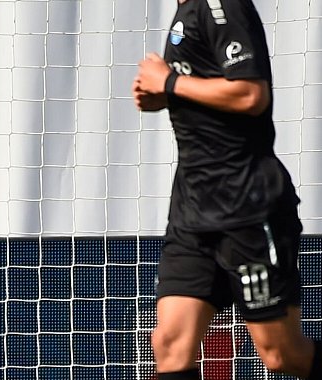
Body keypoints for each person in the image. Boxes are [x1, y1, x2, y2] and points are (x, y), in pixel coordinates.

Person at [133, 0, 322, 379]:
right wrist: (166, 95)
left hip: (246, 207)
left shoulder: (221, 4)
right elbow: (207, 86)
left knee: (281, 354)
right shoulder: (186, 8)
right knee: (169, 346)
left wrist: (169, 82)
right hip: (192, 210)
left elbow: (251, 94)